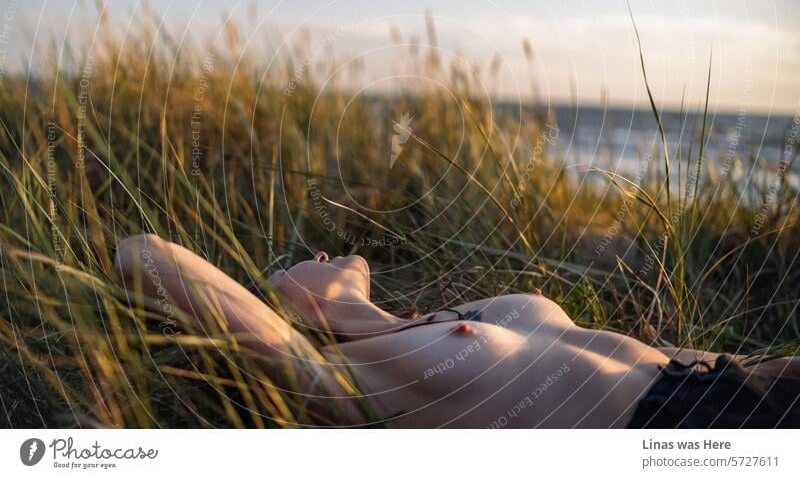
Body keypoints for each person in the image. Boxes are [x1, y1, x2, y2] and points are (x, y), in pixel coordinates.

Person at [114, 234, 800, 428]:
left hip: (724, 383)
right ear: (289, 310)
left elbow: (689, 358)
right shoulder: (354, 381)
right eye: (293, 266)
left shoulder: (453, 318)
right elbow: (142, 255)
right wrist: (294, 312)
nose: (319, 254)